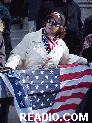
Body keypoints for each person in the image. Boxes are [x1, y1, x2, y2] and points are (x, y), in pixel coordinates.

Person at [5, 12, 88, 71]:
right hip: (28, 82)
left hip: (47, 85)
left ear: (60, 27)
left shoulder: (61, 45)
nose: (50, 24)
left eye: (55, 23)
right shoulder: (30, 37)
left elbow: (67, 59)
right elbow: (17, 55)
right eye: (49, 21)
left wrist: (84, 61)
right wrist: (10, 66)